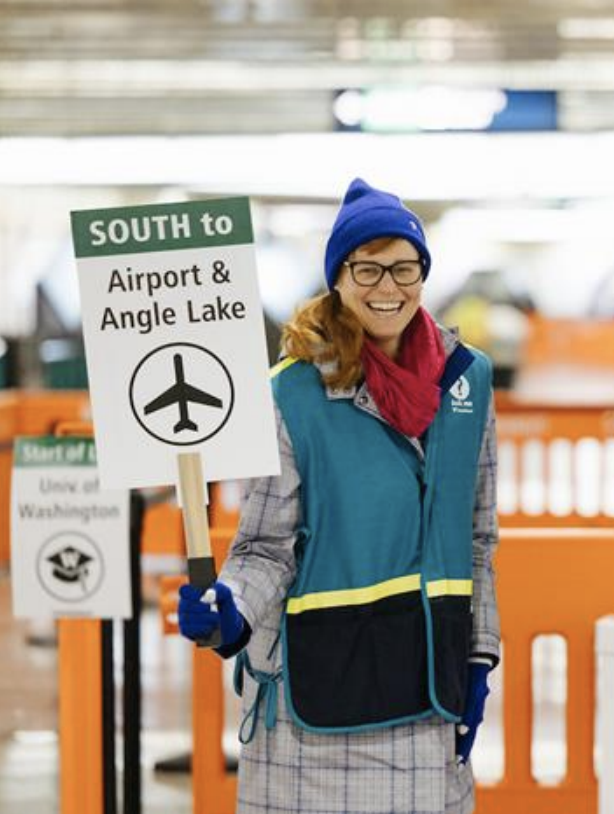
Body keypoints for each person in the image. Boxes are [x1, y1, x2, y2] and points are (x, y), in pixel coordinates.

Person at [176, 178, 501, 814]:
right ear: (339, 279)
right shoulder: (291, 393)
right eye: (368, 268)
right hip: (314, 700)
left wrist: (480, 655)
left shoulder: (468, 382)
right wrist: (232, 610)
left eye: (404, 268)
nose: (388, 287)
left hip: (429, 685)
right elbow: (267, 547)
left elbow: (478, 538)